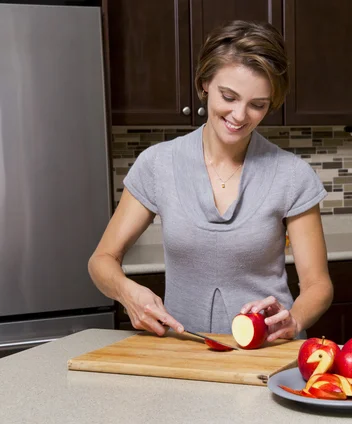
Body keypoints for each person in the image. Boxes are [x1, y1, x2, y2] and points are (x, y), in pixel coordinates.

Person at [88, 20, 333, 343]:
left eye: (257, 105)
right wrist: (127, 292)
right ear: (204, 83)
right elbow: (102, 260)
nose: (240, 115)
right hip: (185, 354)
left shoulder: (292, 175)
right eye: (228, 96)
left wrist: (294, 319)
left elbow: (318, 285)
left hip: (269, 353)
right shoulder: (158, 164)